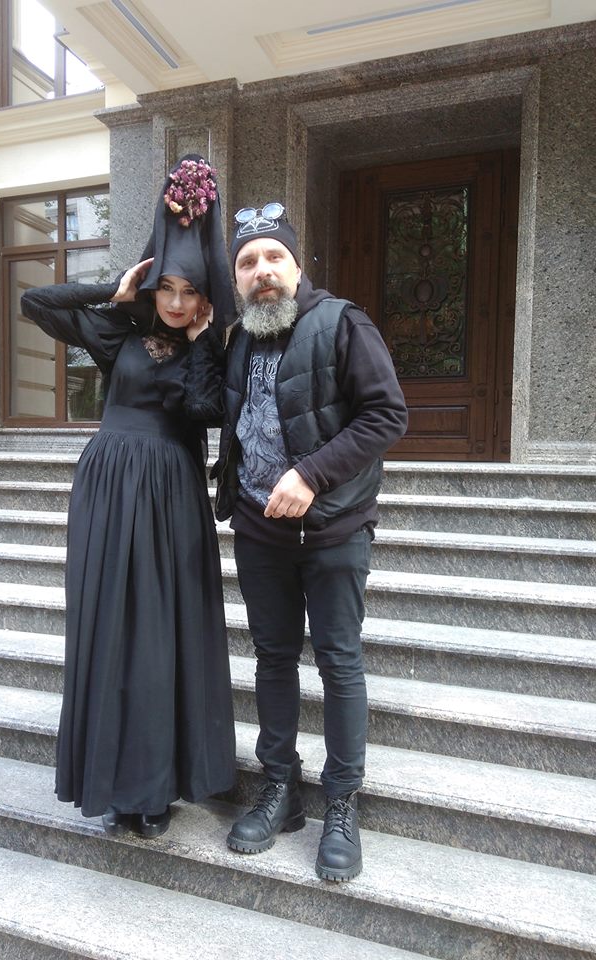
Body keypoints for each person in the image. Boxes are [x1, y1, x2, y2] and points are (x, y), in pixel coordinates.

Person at [21, 155, 236, 839]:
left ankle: (157, 787)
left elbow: (206, 412)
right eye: (166, 286)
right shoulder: (119, 330)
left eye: (189, 291)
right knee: (110, 625)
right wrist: (114, 290)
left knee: (162, 633)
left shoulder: (210, 345)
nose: (175, 301)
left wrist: (201, 343)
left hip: (172, 494)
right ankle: (115, 784)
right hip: (110, 487)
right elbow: (37, 304)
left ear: (206, 296)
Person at [213, 202, 408, 880]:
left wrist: (310, 475)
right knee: (272, 659)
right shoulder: (239, 340)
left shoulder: (343, 322)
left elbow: (386, 414)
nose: (262, 270)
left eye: (274, 257)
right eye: (247, 262)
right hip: (259, 531)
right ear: (237, 280)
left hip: (334, 529)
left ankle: (342, 804)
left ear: (298, 267)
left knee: (338, 662)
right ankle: (281, 790)